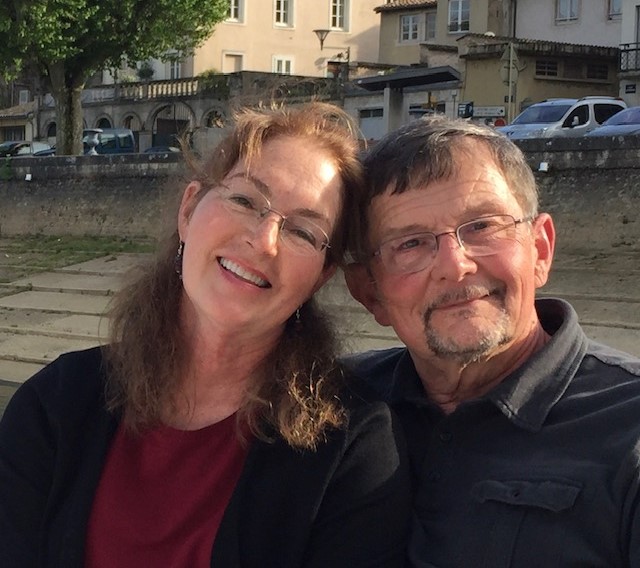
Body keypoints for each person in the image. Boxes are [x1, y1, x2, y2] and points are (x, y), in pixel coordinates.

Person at [0, 102, 410, 568]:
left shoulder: (352, 446)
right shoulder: (54, 406)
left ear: (320, 276)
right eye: (245, 201)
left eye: (302, 231)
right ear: (189, 209)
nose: (264, 240)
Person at [344, 115, 640, 567]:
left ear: (540, 250)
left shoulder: (629, 429)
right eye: (411, 243)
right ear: (370, 294)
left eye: (482, 226)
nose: (454, 265)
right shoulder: (329, 410)